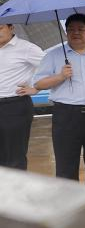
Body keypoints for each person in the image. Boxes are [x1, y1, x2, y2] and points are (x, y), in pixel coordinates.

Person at [31, 13, 85, 186]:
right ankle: (71, 208)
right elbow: (39, 84)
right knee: (66, 167)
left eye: (81, 29)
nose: (75, 33)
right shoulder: (53, 55)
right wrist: (61, 76)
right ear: (66, 32)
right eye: (70, 29)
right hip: (67, 116)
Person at [0, 23, 44, 169]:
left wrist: (36, 88)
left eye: (0, 28)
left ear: (11, 27)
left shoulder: (27, 48)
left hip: (14, 106)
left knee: (14, 158)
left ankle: (16, 191)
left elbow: (50, 67)